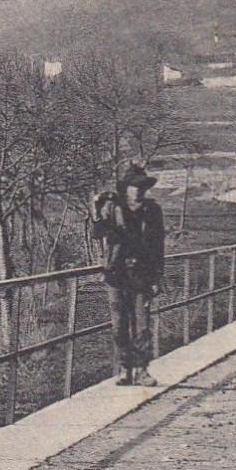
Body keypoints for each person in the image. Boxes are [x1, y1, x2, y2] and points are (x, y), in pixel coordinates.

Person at [91, 161, 164, 386]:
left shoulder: (152, 210)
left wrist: (158, 276)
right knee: (119, 324)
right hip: (117, 274)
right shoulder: (114, 208)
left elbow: (159, 245)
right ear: (127, 188)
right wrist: (96, 210)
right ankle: (125, 368)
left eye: (143, 186)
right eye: (135, 186)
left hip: (142, 273)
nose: (139, 190)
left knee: (142, 324)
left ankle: (141, 370)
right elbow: (97, 233)